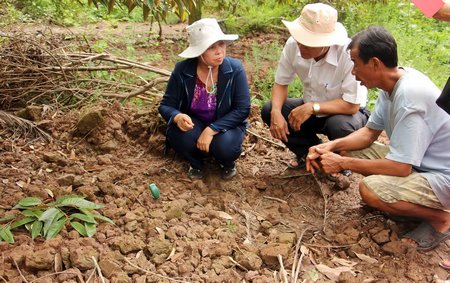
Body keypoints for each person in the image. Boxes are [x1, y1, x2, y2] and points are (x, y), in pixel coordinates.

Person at [306, 26, 450, 251]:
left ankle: (440, 219)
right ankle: (406, 206)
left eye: (355, 63)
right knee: (347, 149)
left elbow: (401, 167)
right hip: (420, 164)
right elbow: (368, 133)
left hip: (442, 176)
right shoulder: (392, 84)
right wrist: (330, 147)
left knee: (370, 190)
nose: (353, 71)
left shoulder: (410, 96)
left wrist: (342, 164)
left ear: (374, 63)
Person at [261, 3, 368, 173]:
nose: (301, 45)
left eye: (308, 43)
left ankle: (339, 160)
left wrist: (312, 107)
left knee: (339, 125)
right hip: (310, 106)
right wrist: (275, 112)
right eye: (300, 39)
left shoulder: (348, 55)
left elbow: (352, 105)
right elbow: (281, 82)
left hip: (345, 113)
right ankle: (311, 153)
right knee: (270, 109)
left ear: (327, 42)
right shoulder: (292, 45)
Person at [158, 18, 250, 180]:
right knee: (179, 136)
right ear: (199, 51)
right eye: (211, 47)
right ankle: (196, 162)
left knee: (224, 147)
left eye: (221, 44)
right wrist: (178, 117)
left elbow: (242, 109)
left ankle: (226, 163)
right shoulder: (182, 70)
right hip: (196, 123)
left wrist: (211, 129)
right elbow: (166, 105)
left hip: (227, 124)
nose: (219, 51)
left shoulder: (234, 69)